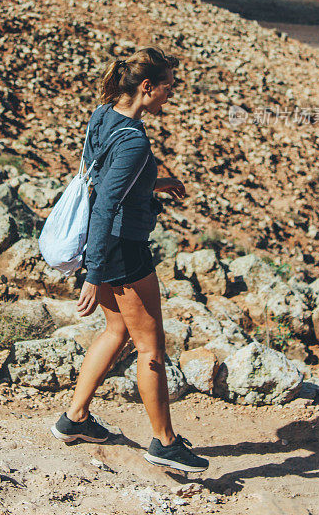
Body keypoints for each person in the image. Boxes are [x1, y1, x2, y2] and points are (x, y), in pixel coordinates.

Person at [51, 46, 209, 474]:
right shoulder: (136, 140)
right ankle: (164, 442)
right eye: (168, 87)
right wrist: (95, 274)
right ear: (147, 87)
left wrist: (157, 183)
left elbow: (103, 177)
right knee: (151, 347)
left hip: (103, 244)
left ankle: (75, 418)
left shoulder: (103, 114)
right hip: (122, 249)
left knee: (116, 329)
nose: (170, 94)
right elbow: (106, 202)